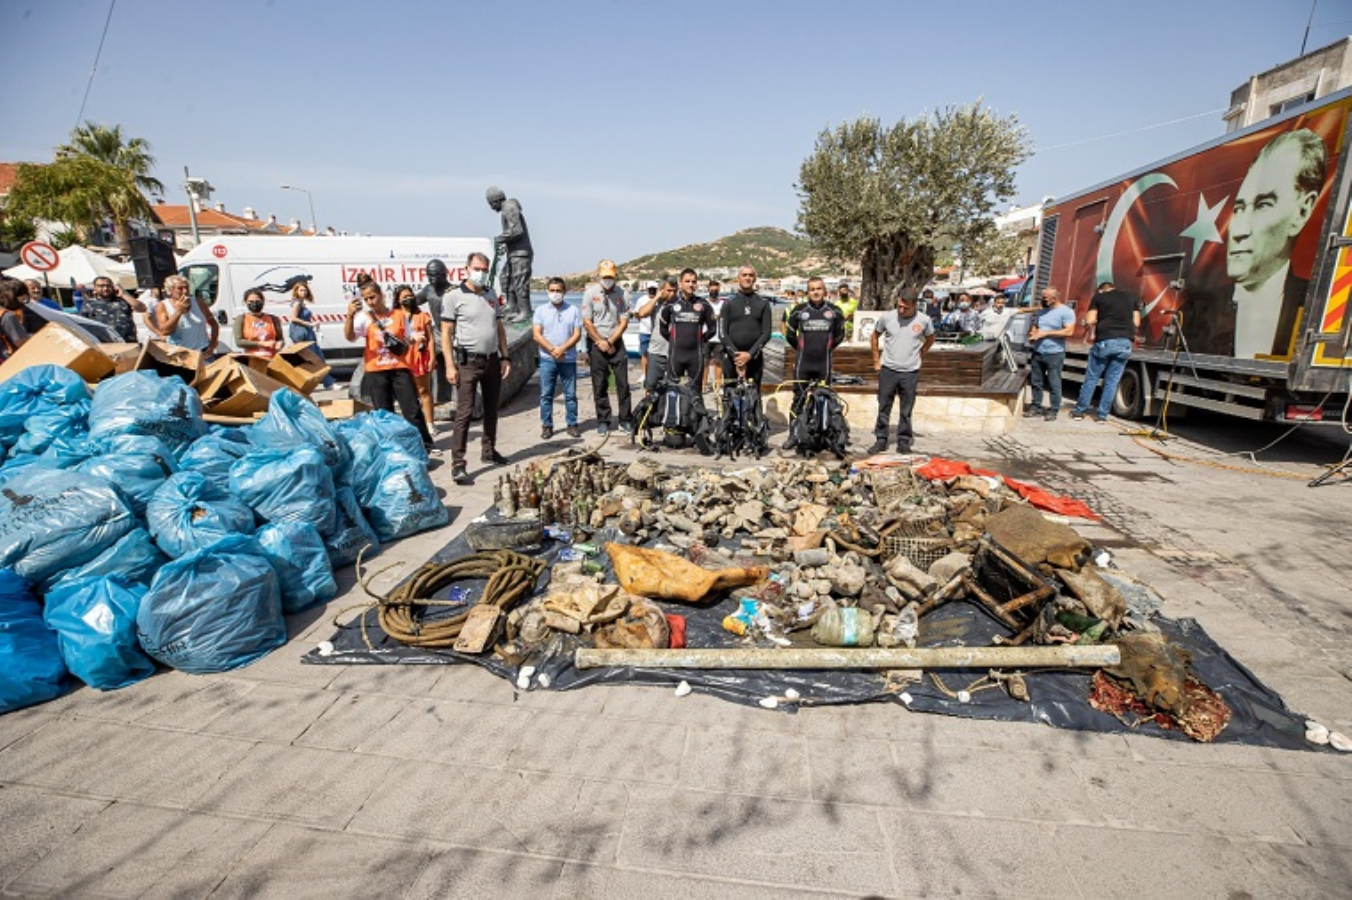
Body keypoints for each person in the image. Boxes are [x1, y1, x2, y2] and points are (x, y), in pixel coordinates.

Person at [1226, 128, 1327, 358]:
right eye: (1239, 208)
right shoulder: (1196, 309)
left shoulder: (1315, 304)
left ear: (1302, 211)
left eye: (1263, 205)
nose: (1239, 231)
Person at [442, 251, 512, 483]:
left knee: (492, 409)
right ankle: (458, 463)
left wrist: (505, 357)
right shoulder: (453, 297)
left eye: (484, 269)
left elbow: (499, 327)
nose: (480, 273)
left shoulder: (491, 294)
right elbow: (446, 333)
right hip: (468, 362)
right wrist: (450, 366)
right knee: (465, 411)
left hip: (492, 359)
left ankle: (489, 450)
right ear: (466, 269)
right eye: (477, 269)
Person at [344, 279, 435, 454]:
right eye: (366, 299)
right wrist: (349, 316)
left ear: (382, 295)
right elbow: (350, 337)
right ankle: (392, 448)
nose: (370, 301)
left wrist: (416, 338)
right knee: (384, 414)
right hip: (376, 371)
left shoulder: (398, 315)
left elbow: (408, 336)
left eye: (373, 297)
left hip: (399, 368)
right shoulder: (364, 317)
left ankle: (425, 444)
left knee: (412, 409)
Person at [869, 286, 935, 454]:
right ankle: (881, 439)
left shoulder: (924, 320)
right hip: (888, 370)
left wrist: (922, 352)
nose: (901, 309)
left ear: (914, 305)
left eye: (905, 307)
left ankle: (903, 441)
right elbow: (874, 336)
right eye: (899, 305)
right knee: (884, 406)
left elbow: (930, 338)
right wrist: (877, 361)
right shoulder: (887, 317)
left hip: (910, 371)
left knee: (906, 409)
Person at [783, 276, 845, 449]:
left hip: (823, 364)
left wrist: (827, 348)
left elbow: (840, 335)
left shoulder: (834, 311)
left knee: (825, 401)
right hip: (803, 364)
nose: (816, 292)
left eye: (819, 289)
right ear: (807, 291)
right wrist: (802, 349)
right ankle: (793, 436)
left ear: (824, 291)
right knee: (798, 400)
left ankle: (823, 436)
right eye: (812, 289)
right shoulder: (798, 311)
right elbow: (790, 336)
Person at [1072, 281, 1140, 422]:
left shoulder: (1099, 298)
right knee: (1112, 381)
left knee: (1092, 378)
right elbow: (1136, 323)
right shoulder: (1131, 298)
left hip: (1105, 341)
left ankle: (1080, 411)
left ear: (1102, 291)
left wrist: (1097, 321)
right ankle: (1102, 416)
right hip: (1125, 342)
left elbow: (1090, 320)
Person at [581, 259, 633, 436]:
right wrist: (601, 342)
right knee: (599, 384)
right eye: (605, 277)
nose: (608, 280)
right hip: (596, 343)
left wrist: (610, 342)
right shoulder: (590, 294)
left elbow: (624, 322)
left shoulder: (622, 294)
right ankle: (603, 420)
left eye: (610, 277)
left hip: (615, 342)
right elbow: (587, 322)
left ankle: (625, 420)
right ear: (599, 275)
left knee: (623, 384)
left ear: (615, 275)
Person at [533, 276, 583, 439]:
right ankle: (547, 425)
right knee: (546, 394)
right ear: (547, 291)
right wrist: (552, 349)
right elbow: (536, 334)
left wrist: (563, 348)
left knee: (570, 394)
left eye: (558, 291)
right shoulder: (540, 310)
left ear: (564, 292)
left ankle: (572, 424)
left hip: (568, 359)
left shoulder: (573, 310)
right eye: (552, 291)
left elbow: (577, 334)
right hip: (547, 359)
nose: (555, 294)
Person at [659, 268, 716, 389]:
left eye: (694, 281)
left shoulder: (704, 304)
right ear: (680, 283)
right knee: (673, 392)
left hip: (695, 356)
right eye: (687, 281)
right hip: (676, 355)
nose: (691, 284)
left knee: (695, 394)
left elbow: (713, 329)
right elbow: (663, 329)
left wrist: (701, 340)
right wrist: (674, 340)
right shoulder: (670, 304)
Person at [1024, 287, 1076, 421]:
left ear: (1055, 298)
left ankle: (1053, 410)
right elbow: (1036, 325)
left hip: (1055, 353)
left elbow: (1069, 331)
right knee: (1036, 382)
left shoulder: (1066, 312)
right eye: (1043, 297)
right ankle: (1036, 407)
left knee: (1054, 383)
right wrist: (1033, 334)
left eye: (1046, 298)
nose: (1043, 300)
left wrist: (1046, 333)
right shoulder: (1042, 311)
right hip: (1038, 351)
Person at [719, 264, 773, 390]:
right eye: (744, 275)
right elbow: (722, 333)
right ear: (738, 278)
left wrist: (749, 354)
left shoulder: (763, 303)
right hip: (731, 357)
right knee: (729, 396)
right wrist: (736, 356)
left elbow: (767, 333)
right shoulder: (728, 303)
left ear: (755, 279)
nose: (747, 278)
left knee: (754, 398)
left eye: (751, 275)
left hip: (754, 357)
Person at [486, 186, 533, 322]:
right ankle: (512, 307)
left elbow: (517, 230)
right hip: (513, 253)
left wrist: (500, 238)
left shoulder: (509, 207)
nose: (491, 208)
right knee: (505, 278)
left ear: (496, 200)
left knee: (519, 281)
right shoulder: (506, 209)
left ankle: (525, 311)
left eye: (491, 204)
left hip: (521, 254)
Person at [395, 284, 436, 434]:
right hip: (403, 359)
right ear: (398, 300)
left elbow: (431, 338)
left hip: (420, 357)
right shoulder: (395, 316)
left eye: (410, 295)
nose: (408, 299)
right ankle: (413, 424)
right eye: (404, 297)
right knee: (407, 394)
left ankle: (430, 424)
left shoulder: (423, 316)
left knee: (424, 391)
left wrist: (432, 357)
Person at [416, 258, 454, 405]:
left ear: (444, 274)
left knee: (456, 363)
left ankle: (457, 397)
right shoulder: (428, 289)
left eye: (435, 275)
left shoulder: (454, 291)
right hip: (437, 334)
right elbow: (415, 302)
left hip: (454, 334)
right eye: (429, 275)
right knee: (425, 361)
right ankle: (427, 397)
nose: (432, 279)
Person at [149, 274, 219, 354]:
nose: (185, 291)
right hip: (179, 352)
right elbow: (164, 331)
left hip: (202, 350)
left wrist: (212, 345)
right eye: (180, 288)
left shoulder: (198, 302)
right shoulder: (163, 305)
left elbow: (214, 323)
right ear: (170, 290)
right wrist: (178, 312)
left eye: (186, 287)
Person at [288, 281, 335, 388]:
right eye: (301, 290)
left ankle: (326, 382)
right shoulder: (297, 304)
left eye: (305, 290)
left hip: (307, 331)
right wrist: (310, 324)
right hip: (303, 333)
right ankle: (327, 383)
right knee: (315, 358)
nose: (303, 292)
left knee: (315, 358)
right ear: (296, 291)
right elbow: (293, 318)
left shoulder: (302, 303)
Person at [638, 275, 677, 392]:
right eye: (669, 290)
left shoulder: (679, 304)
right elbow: (641, 313)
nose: (672, 294)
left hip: (674, 352)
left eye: (675, 291)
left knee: (673, 388)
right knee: (651, 387)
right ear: (662, 290)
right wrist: (657, 297)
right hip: (656, 351)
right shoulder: (656, 304)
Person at [81, 276, 147, 342]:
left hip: (127, 341)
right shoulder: (89, 304)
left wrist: (123, 294)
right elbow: (83, 324)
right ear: (95, 288)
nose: (105, 288)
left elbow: (142, 308)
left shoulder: (123, 300)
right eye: (101, 286)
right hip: (104, 343)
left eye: (108, 286)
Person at [232, 288, 285, 359]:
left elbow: (280, 339)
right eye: (251, 301)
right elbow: (239, 342)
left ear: (263, 301)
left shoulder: (273, 319)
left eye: (257, 301)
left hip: (271, 358)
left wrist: (279, 344)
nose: (254, 304)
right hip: (251, 359)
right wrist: (262, 344)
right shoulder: (241, 319)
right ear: (245, 302)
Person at [0, 280, 32, 361]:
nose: (25, 298)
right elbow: (20, 342)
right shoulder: (8, 316)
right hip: (10, 359)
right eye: (22, 295)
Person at [704, 278, 726, 387]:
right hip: (706, 338)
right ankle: (703, 386)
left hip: (719, 338)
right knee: (704, 363)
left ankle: (717, 386)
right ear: (708, 290)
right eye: (712, 290)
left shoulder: (724, 303)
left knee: (719, 362)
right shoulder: (703, 303)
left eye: (716, 290)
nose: (714, 292)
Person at [637, 280, 658, 378]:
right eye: (650, 290)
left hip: (656, 332)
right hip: (644, 331)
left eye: (654, 290)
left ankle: (657, 373)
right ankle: (644, 374)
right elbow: (637, 313)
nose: (652, 292)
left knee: (657, 354)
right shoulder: (641, 300)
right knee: (644, 353)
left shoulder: (660, 300)